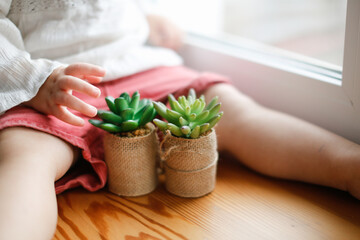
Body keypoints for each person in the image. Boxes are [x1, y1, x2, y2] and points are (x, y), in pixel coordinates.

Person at [0, 1, 359, 239]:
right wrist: (31, 79)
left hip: (137, 63)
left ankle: (348, 167)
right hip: (47, 88)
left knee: (239, 113)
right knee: (24, 160)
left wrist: (144, 20)